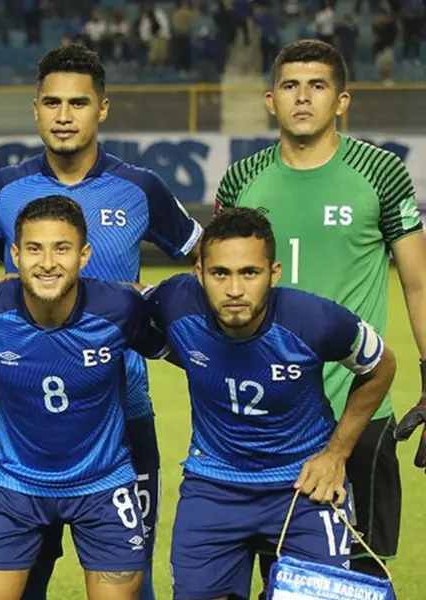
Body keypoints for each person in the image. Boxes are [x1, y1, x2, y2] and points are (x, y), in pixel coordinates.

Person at [0, 44, 202, 600]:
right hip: (28, 423)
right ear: (35, 109)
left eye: (78, 103)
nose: (64, 116)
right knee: (22, 582)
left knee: (134, 578)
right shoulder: (5, 189)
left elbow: (207, 263)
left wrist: (150, 295)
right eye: (52, 103)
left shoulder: (141, 188)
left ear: (102, 108)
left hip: (124, 419)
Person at [214, 39, 426, 580]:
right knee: (276, 575)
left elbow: (419, 283)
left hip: (359, 410)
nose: (303, 97)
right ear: (270, 100)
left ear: (342, 100)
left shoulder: (381, 172)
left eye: (317, 86)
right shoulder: (240, 180)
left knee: (360, 577)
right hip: (266, 418)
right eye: (290, 86)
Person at [143, 208, 397, 600]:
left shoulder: (315, 320)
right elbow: (118, 300)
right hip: (213, 487)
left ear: (274, 273)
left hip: (304, 489)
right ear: (200, 273)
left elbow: (381, 366)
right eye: (220, 273)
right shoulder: (175, 302)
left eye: (250, 273)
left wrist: (336, 455)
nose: (234, 289)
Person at [0, 195, 154, 600]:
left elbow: (187, 349)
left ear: (84, 255)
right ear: (15, 255)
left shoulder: (119, 309)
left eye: (61, 249)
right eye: (34, 249)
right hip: (14, 485)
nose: (47, 263)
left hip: (103, 485)